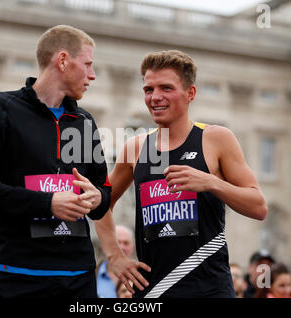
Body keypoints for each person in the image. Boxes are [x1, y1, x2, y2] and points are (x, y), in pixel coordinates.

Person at [95, 50, 267, 298]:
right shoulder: (135, 147)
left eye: (166, 88)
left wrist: (210, 182)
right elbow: (100, 205)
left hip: (209, 288)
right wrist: (114, 256)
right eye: (148, 89)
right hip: (153, 291)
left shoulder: (216, 138)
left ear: (191, 93)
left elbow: (259, 206)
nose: (155, 97)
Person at [0, 25, 111, 298]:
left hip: (78, 279)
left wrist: (97, 197)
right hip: (15, 276)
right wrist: (47, 203)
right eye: (87, 64)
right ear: (63, 61)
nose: (92, 75)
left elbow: (104, 192)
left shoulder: (85, 122)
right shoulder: (1, 109)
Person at [96, 224, 135, 298]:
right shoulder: (91, 275)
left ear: (133, 247)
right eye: (117, 243)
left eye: (126, 243)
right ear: (105, 246)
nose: (121, 247)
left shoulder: (142, 276)